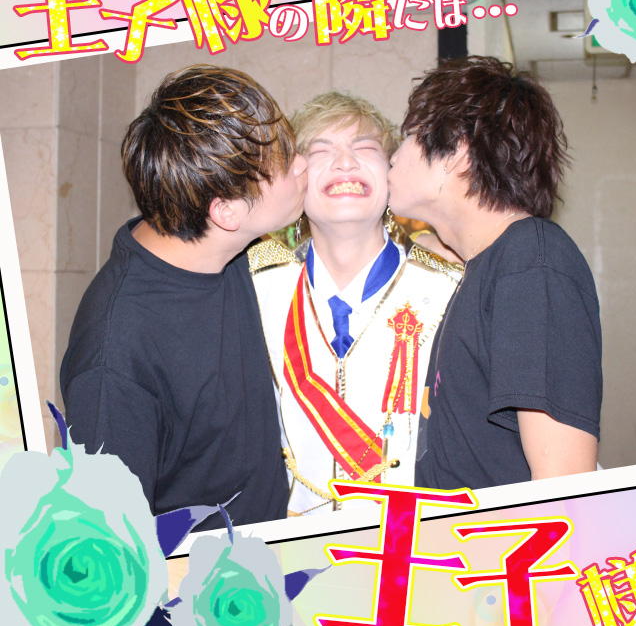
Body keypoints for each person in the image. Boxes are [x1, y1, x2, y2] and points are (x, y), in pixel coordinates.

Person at [60, 65, 308, 528]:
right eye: (286, 164)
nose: (303, 166)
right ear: (226, 211)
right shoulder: (114, 358)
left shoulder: (229, 251)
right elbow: (112, 539)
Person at [387, 56, 602, 491]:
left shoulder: (532, 261)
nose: (393, 156)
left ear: (456, 151)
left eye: (408, 136)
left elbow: (563, 485)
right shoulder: (489, 265)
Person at [249, 92, 461, 516]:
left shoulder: (450, 289)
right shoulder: (253, 288)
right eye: (319, 151)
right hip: (288, 543)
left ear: (391, 172)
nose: (345, 162)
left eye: (364, 148)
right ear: (295, 177)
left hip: (409, 542)